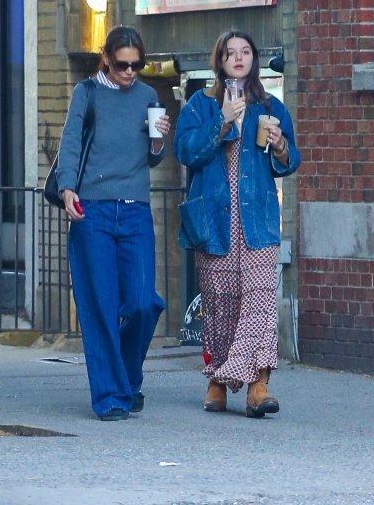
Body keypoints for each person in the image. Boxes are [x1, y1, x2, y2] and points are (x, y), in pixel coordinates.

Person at [173, 30, 301, 418]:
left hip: (258, 220)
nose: (239, 58)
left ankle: (258, 385)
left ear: (254, 59)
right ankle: (217, 379)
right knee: (220, 304)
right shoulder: (200, 105)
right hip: (214, 221)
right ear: (220, 61)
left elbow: (290, 161)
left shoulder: (270, 106)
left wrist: (280, 146)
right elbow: (185, 152)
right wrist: (222, 122)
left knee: (260, 301)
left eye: (245, 51)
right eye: (231, 53)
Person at [56, 25, 170, 421]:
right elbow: (71, 142)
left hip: (135, 209)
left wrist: (159, 141)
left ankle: (124, 377)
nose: (130, 72)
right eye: (123, 65)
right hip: (93, 210)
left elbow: (153, 158)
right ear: (106, 58)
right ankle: (111, 397)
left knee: (143, 302)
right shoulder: (86, 93)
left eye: (137, 65)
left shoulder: (147, 96)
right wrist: (67, 189)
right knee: (100, 305)